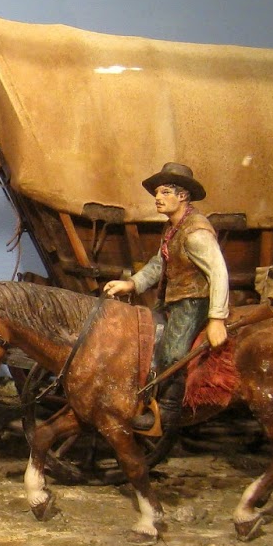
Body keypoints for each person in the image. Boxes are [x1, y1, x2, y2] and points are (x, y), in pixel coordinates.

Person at [102, 162, 230, 441]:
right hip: (173, 300)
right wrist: (132, 283)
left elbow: (219, 272)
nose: (158, 198)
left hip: (193, 302)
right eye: (157, 192)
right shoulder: (173, 229)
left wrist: (217, 318)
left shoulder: (196, 232)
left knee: (173, 355)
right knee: (145, 339)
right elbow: (159, 263)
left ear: (182, 196)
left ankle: (167, 418)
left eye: (165, 192)